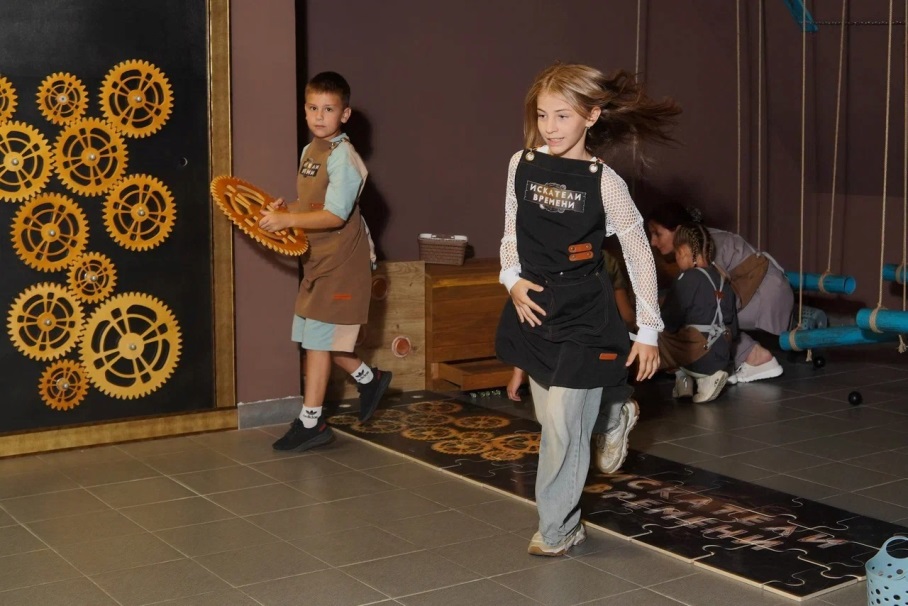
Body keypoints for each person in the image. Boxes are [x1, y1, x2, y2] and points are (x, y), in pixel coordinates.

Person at [495, 62, 679, 556]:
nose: (550, 127)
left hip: (584, 312)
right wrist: (511, 279)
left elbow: (639, 254)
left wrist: (648, 330)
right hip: (536, 306)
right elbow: (511, 231)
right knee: (554, 421)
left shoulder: (606, 183)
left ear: (591, 116)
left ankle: (558, 529)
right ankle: (612, 411)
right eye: (542, 115)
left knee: (560, 426)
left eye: (562, 116)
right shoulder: (521, 164)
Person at [259, 71, 392, 452]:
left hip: (344, 262)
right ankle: (369, 379)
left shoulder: (343, 158)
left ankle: (312, 422)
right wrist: (286, 209)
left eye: (329, 109)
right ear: (304, 110)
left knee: (318, 341)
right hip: (318, 259)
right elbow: (312, 204)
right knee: (315, 336)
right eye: (313, 108)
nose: (320, 116)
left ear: (344, 114)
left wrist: (288, 221)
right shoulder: (309, 152)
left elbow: (334, 215)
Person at [648, 202, 792, 384]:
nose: (653, 242)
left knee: (694, 314)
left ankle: (752, 356)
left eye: (657, 234)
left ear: (677, 230)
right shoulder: (702, 239)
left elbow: (709, 299)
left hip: (766, 297)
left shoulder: (703, 246)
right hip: (760, 293)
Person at [659, 222, 737, 403]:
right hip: (722, 355)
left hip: (700, 355)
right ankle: (686, 381)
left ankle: (692, 378)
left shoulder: (686, 278)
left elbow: (668, 321)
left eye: (676, 253)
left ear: (683, 251)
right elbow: (734, 328)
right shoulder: (723, 279)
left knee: (655, 331)